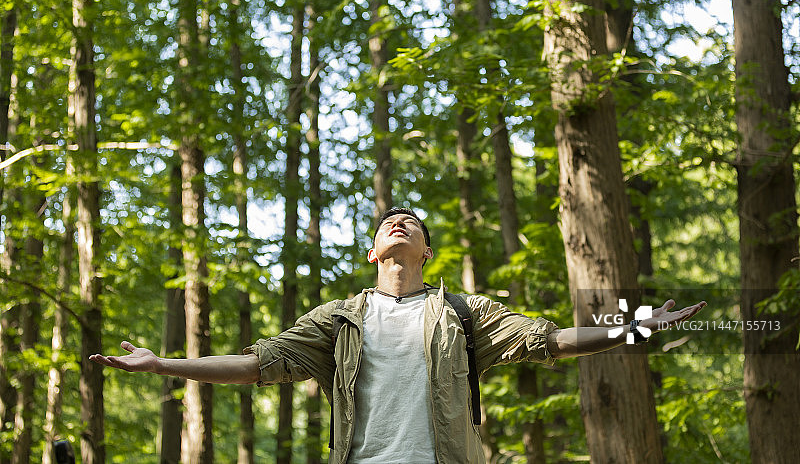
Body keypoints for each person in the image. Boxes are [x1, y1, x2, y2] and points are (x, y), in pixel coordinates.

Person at [91, 207, 706, 463]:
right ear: (373, 251)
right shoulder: (339, 319)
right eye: (389, 221)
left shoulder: (462, 313)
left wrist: (634, 328)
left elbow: (552, 341)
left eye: (411, 222)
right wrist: (164, 365)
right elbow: (257, 365)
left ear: (426, 251)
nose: (400, 221)